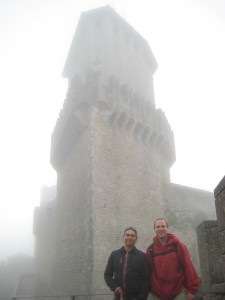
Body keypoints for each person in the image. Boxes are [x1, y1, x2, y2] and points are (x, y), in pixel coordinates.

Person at [146, 218, 199, 300]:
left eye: (163, 226)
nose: (160, 229)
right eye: (158, 227)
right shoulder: (150, 249)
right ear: (154, 229)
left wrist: (191, 291)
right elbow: (149, 271)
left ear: (167, 228)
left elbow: (188, 267)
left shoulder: (178, 246)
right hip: (158, 294)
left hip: (179, 292)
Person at [104, 227, 150, 300]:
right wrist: (114, 287)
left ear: (136, 239)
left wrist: (142, 297)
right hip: (119, 297)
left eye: (132, 236)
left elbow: (146, 279)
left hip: (136, 297)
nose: (129, 237)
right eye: (127, 235)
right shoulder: (114, 254)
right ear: (123, 237)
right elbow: (107, 275)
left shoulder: (142, 256)